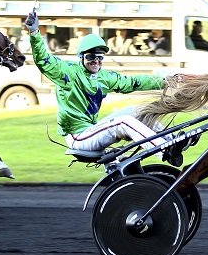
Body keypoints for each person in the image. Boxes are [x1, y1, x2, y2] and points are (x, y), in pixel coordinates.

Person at [24, 11, 171, 173]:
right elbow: (43, 60)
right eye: (91, 56)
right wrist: (34, 32)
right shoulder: (67, 72)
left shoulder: (103, 77)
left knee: (134, 111)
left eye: (100, 57)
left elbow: (131, 82)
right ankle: (163, 150)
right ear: (81, 57)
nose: (96, 61)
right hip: (78, 138)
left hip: (91, 130)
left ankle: (171, 140)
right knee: (123, 122)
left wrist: (164, 81)